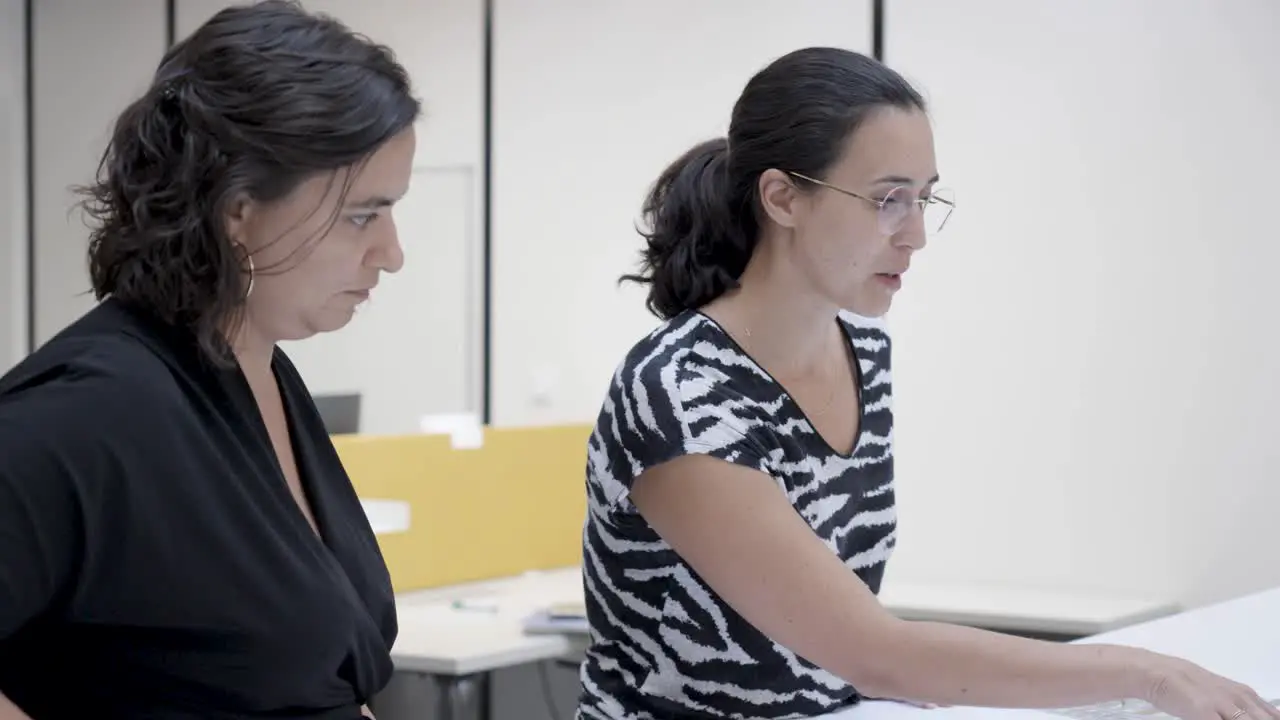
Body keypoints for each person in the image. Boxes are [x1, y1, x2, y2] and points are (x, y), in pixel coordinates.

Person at [576, 47, 1278, 720]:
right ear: (783, 198)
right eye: (888, 200)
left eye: (924, 200)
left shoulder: (862, 352)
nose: (914, 235)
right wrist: (1150, 673)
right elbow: (874, 652)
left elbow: (845, 642)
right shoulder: (678, 395)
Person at [0, 2, 419, 718]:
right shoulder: (93, 411)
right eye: (361, 215)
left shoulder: (260, 374)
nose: (392, 253)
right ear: (238, 209)